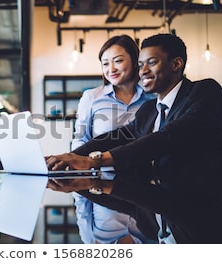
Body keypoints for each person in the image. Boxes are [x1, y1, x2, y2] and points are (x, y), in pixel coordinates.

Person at [46, 33, 222, 243]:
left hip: (197, 218)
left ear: (176, 64)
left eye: (151, 62)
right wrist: (67, 158)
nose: (143, 71)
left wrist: (93, 161)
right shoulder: (149, 110)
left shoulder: (204, 91)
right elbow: (116, 137)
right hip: (161, 212)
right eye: (141, 64)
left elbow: (168, 137)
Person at [71, 35, 155, 244]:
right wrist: (79, 170)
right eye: (105, 63)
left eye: (118, 60)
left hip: (147, 181)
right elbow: (81, 139)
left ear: (135, 60)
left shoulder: (153, 97)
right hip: (102, 181)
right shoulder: (92, 97)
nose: (111, 69)